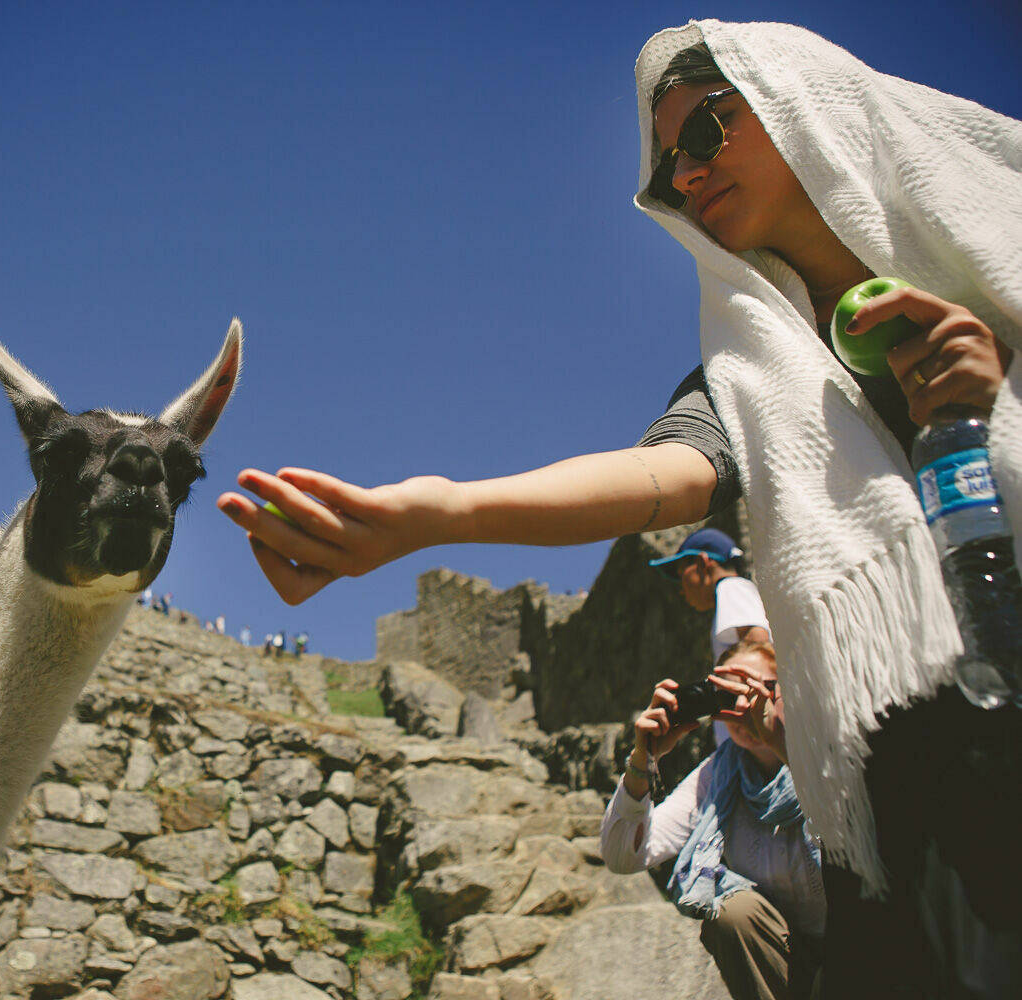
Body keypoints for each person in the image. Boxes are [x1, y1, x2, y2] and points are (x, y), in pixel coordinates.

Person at [217, 21, 1020, 997]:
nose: (683, 176)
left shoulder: (995, 255)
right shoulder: (741, 377)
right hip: (919, 788)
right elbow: (659, 478)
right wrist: (442, 512)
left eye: (705, 133)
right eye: (665, 164)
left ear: (796, 102)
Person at [601, 642, 820, 1000]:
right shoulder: (718, 775)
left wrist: (782, 743)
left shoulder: (826, 751)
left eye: (753, 690)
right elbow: (622, 855)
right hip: (783, 962)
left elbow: (861, 835)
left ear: (788, 690)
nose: (742, 706)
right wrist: (644, 759)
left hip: (864, 946)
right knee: (733, 912)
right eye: (725, 695)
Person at [650, 527, 771, 744]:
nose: (680, 589)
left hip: (751, 742)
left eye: (681, 575)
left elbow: (759, 643)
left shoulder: (730, 588)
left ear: (703, 563)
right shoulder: (735, 592)